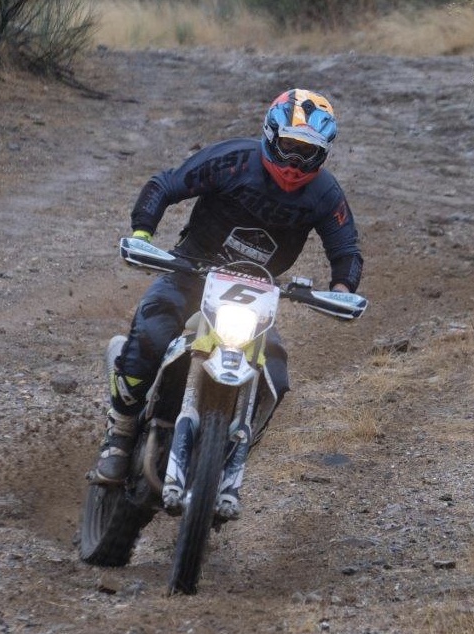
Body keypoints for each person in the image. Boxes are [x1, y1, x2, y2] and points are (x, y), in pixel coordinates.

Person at [88, 88, 364, 512]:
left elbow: (346, 248)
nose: (295, 161)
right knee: (153, 330)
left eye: (308, 152)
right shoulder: (232, 160)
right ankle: (120, 434)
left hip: (257, 292)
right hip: (191, 270)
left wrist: (341, 289)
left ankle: (231, 450)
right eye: (290, 146)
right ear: (271, 135)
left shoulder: (325, 194)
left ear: (323, 154)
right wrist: (143, 234)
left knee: (277, 374)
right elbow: (166, 184)